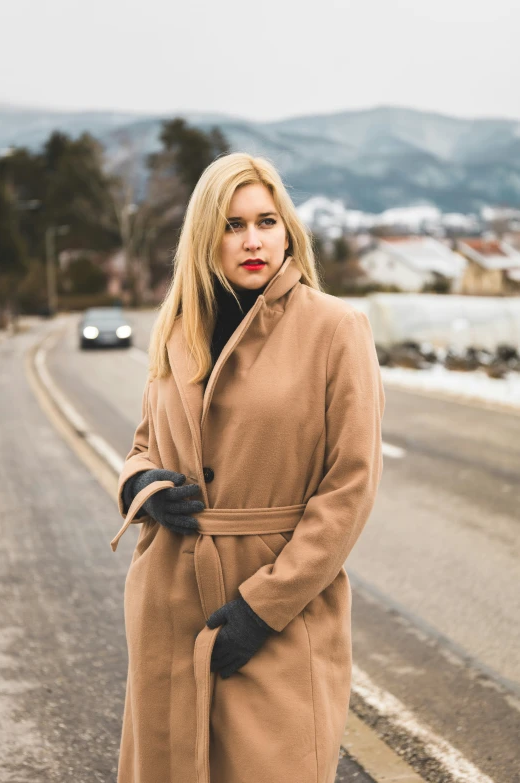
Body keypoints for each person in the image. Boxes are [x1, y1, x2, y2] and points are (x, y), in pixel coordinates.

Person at [110, 152, 385, 783]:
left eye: (266, 221)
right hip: (168, 599)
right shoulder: (179, 327)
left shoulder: (336, 327)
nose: (253, 240)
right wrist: (144, 488)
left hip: (280, 604)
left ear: (288, 229)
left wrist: (265, 607)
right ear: (206, 237)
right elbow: (142, 446)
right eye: (232, 225)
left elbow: (350, 485)